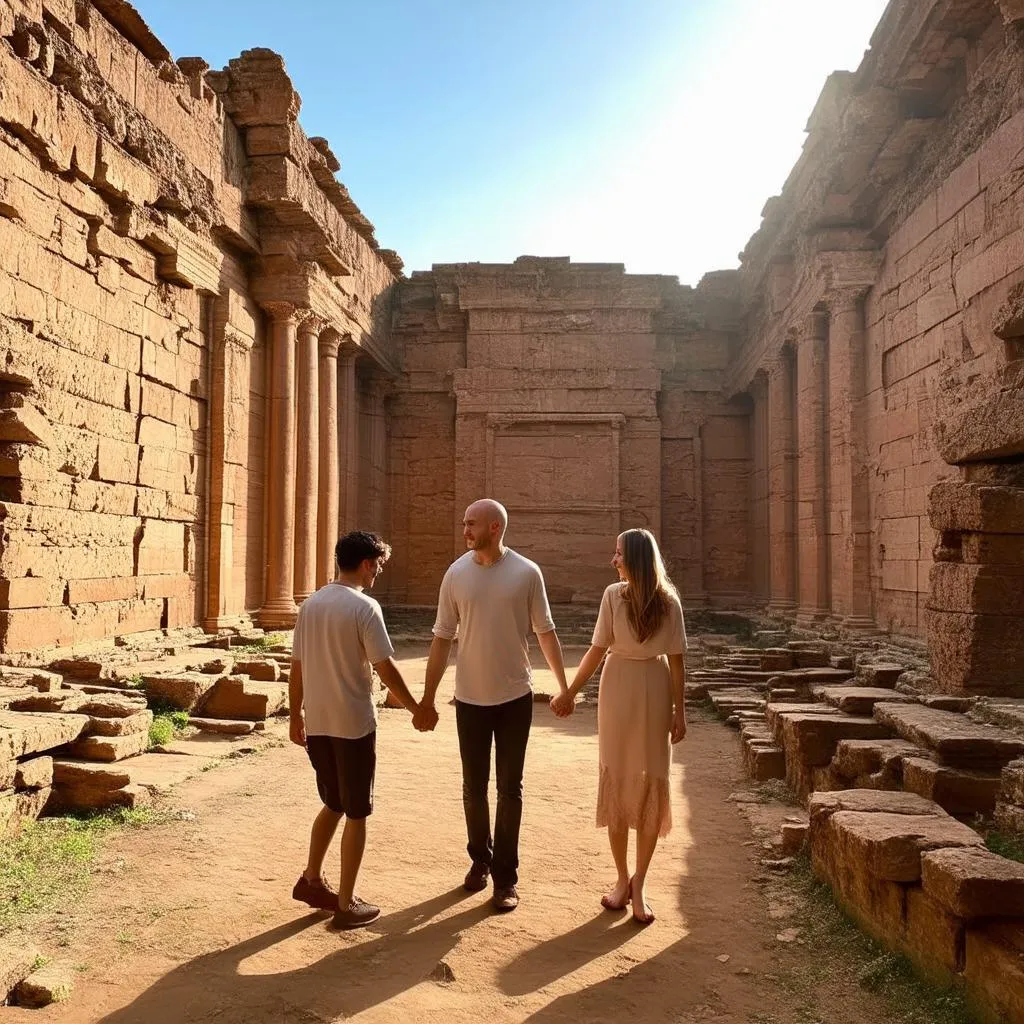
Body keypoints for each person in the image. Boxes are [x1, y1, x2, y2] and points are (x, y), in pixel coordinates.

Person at [420, 498, 569, 912]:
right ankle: (479, 861)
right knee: (473, 788)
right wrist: (427, 699)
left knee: (509, 789)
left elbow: (545, 633)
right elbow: (441, 637)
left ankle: (505, 878)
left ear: (495, 528)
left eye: (472, 524)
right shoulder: (456, 573)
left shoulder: (526, 573)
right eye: (465, 523)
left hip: (513, 698)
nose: (464, 530)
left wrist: (565, 688)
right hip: (468, 698)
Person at [289, 530, 438, 930]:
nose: (379, 574)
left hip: (319, 722)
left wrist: (295, 715)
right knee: (356, 812)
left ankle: (311, 880)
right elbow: (384, 667)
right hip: (353, 725)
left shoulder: (311, 605)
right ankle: (346, 903)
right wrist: (418, 709)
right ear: (367, 564)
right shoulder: (364, 607)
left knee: (334, 803)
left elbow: (297, 665)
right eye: (379, 567)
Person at [550, 528, 687, 925]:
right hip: (617, 685)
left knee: (650, 778)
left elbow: (676, 659)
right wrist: (570, 691)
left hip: (655, 686)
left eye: (619, 553)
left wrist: (681, 711)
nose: (614, 560)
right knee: (616, 777)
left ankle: (640, 882)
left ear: (637, 558)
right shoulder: (613, 596)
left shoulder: (669, 601)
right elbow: (597, 649)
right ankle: (620, 878)